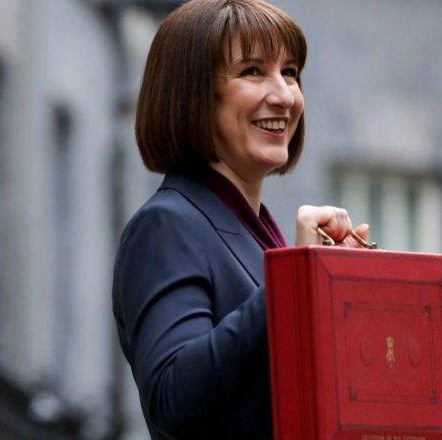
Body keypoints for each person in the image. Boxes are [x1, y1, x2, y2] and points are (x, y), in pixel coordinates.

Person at [111, 1, 371, 438]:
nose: (284, 95)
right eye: (252, 71)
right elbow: (173, 396)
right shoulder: (167, 224)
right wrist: (296, 279)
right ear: (191, 93)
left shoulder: (259, 237)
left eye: (289, 72)